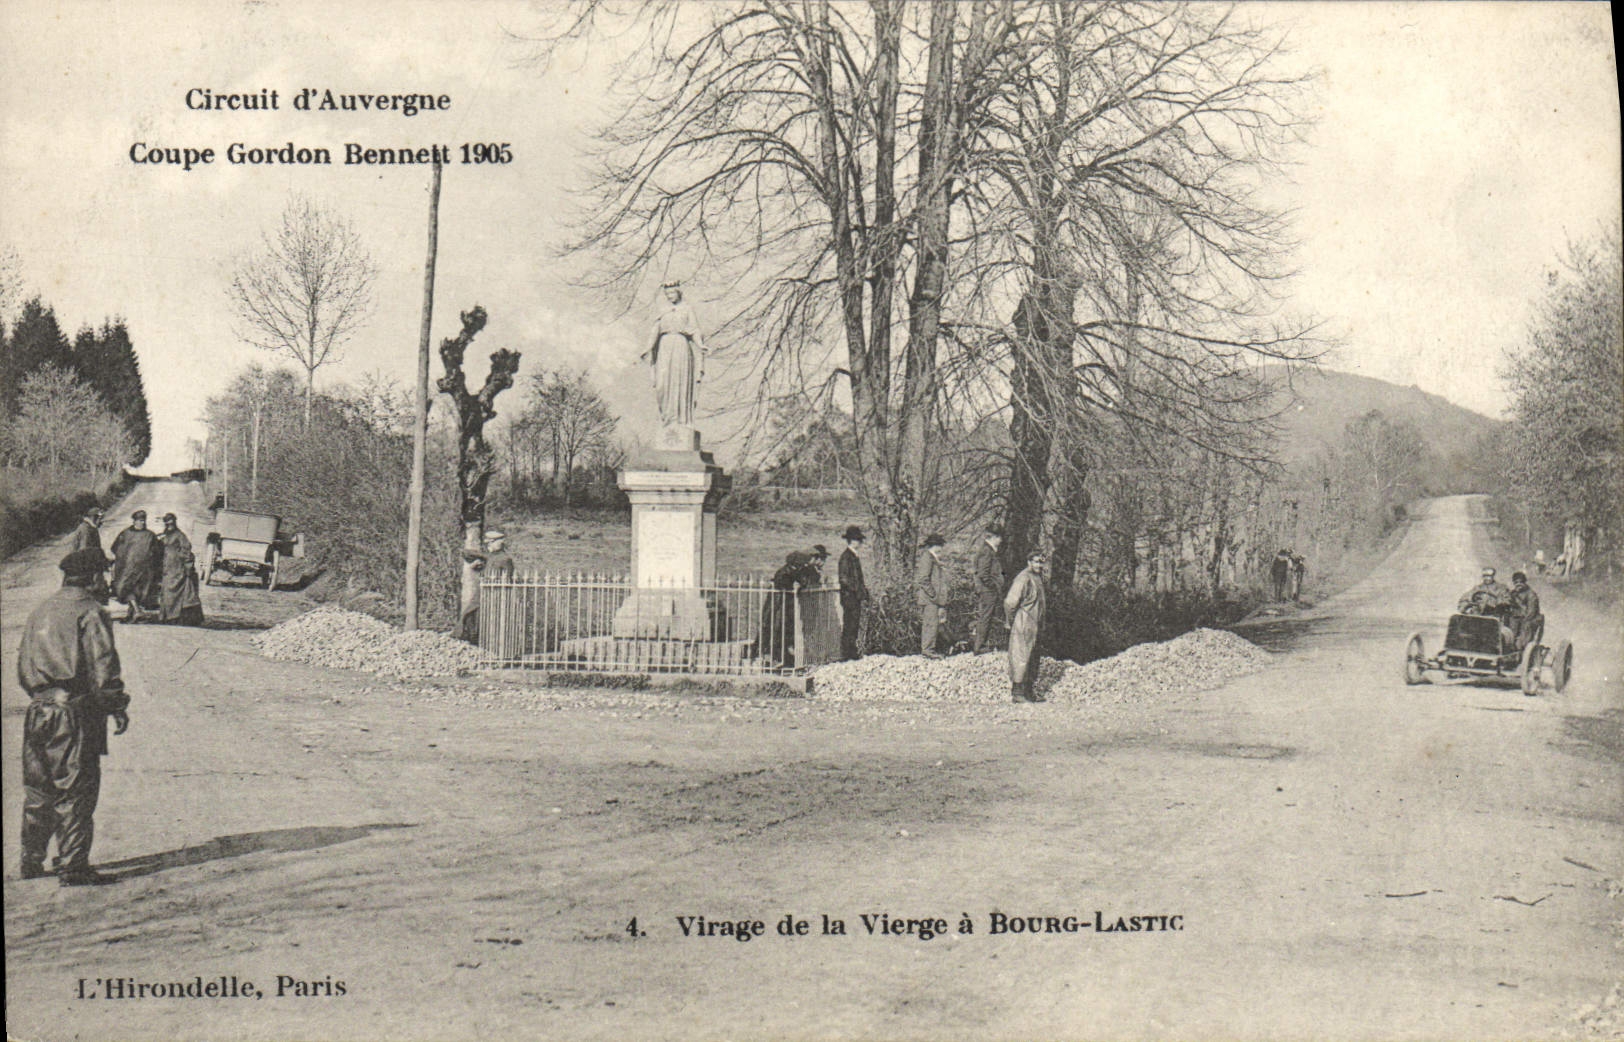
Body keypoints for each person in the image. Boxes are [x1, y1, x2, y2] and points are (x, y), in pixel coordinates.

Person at [17, 548, 132, 886]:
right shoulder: (91, 612)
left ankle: (31, 860)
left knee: (38, 789)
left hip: (38, 709)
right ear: (93, 577)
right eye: (103, 575)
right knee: (75, 790)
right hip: (73, 713)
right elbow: (103, 667)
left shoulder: (41, 610)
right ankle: (73, 866)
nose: (105, 581)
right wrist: (115, 705)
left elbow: (23, 667)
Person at [643, 281, 706, 429]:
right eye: (667, 294)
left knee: (680, 381)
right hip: (665, 347)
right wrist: (648, 348)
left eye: (672, 292)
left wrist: (700, 344)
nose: (670, 296)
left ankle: (681, 420)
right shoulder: (663, 310)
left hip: (681, 347)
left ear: (678, 292)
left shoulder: (687, 309)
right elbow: (655, 330)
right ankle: (667, 418)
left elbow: (694, 330)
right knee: (662, 384)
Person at [1004, 549, 1049, 703]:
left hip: (1036, 622)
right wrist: (1011, 621)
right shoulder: (1023, 578)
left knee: (1034, 656)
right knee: (1021, 655)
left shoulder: (1037, 577)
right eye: (1036, 561)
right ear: (1029, 562)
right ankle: (1017, 693)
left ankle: (1029, 691)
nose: (1039, 565)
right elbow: (1010, 602)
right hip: (1024, 620)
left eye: (1041, 562)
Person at [109, 510, 161, 622]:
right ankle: (136, 611)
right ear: (134, 521)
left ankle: (132, 613)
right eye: (140, 520)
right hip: (127, 569)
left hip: (144, 570)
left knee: (138, 591)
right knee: (125, 588)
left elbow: (157, 552)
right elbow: (115, 548)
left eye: (144, 520)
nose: (143, 523)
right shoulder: (125, 534)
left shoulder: (150, 535)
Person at [761, 551, 810, 669]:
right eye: (801, 564)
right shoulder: (784, 573)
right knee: (776, 631)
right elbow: (783, 585)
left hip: (784, 606)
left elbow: (803, 582)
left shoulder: (792, 572)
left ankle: (780, 658)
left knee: (783, 632)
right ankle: (772, 658)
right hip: (778, 606)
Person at [157, 513, 204, 625]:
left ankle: (174, 617)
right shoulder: (164, 536)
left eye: (171, 523)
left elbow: (187, 551)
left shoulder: (180, 536)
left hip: (178, 568)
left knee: (176, 593)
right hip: (167, 568)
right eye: (167, 524)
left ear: (175, 523)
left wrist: (188, 566)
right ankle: (167, 616)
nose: (169, 526)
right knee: (167, 592)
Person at [972, 524, 1006, 654]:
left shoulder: (988, 550)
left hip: (988, 590)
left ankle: (981, 644)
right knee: (985, 617)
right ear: (994, 537)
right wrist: (993, 586)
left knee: (986, 617)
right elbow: (983, 574)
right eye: (999, 537)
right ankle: (979, 646)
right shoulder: (987, 551)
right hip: (988, 591)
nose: (1001, 541)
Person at [837, 526, 868, 661]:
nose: (860, 543)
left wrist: (863, 591)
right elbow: (844, 578)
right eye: (858, 540)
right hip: (849, 597)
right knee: (850, 624)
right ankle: (847, 653)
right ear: (852, 541)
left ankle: (851, 651)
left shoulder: (853, 556)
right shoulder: (846, 557)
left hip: (853, 596)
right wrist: (857, 589)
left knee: (853, 624)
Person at [916, 534, 950, 658]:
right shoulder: (927, 558)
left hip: (932, 599)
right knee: (930, 624)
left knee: (933, 624)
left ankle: (930, 649)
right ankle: (928, 650)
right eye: (939, 545)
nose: (941, 548)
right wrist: (934, 595)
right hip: (930, 600)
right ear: (933, 545)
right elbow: (923, 579)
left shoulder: (932, 558)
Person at [1509, 571, 1545, 652]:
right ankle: (1508, 644)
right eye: (1516, 582)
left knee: (1526, 625)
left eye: (1521, 582)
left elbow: (1531, 612)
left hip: (1530, 619)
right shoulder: (1513, 593)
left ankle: (1520, 647)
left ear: (1525, 582)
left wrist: (1521, 617)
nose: (1518, 584)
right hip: (1516, 618)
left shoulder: (1531, 595)